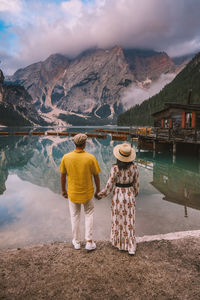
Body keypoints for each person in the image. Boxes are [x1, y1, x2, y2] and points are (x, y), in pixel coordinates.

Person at [60, 133, 101, 251]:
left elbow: (63, 176)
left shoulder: (66, 157)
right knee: (89, 214)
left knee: (75, 216)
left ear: (75, 143)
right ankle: (89, 241)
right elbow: (96, 176)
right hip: (87, 193)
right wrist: (98, 190)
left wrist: (63, 190)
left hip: (72, 193)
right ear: (84, 144)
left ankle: (76, 242)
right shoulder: (90, 157)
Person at [98, 143, 139, 255]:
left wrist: (101, 195)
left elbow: (109, 186)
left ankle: (118, 243)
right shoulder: (135, 167)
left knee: (118, 219)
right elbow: (136, 185)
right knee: (129, 221)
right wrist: (133, 194)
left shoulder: (115, 168)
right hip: (129, 195)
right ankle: (130, 246)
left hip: (118, 196)